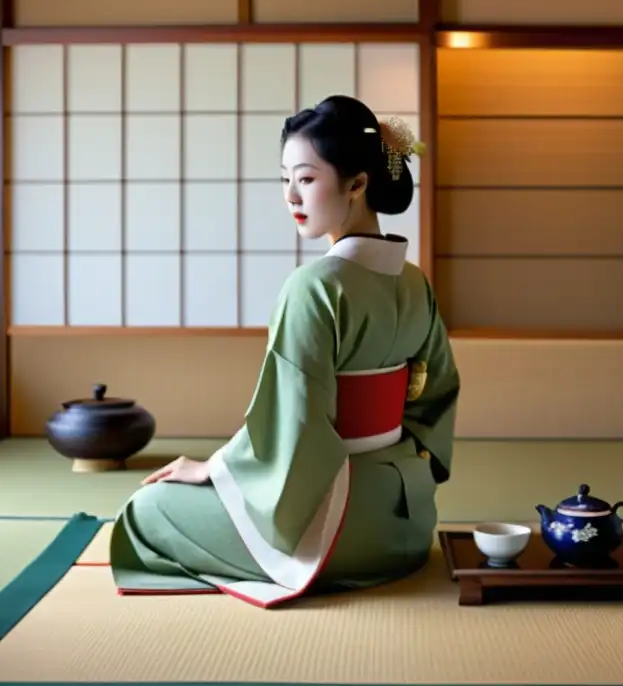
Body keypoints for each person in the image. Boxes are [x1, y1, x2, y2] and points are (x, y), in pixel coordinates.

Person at [108, 95, 461, 608]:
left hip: (339, 530)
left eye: (307, 178)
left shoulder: (314, 287)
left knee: (146, 510)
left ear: (358, 183)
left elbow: (293, 423)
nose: (290, 195)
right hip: (406, 525)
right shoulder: (414, 282)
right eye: (284, 179)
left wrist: (217, 469)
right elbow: (437, 397)